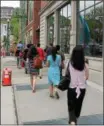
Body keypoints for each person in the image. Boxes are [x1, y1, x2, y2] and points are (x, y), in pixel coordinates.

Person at [67, 45, 89, 125]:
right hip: (82, 89)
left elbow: (67, 75)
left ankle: (72, 122)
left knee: (71, 107)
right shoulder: (85, 64)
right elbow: (87, 77)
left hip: (72, 88)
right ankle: (75, 120)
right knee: (78, 106)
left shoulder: (69, 63)